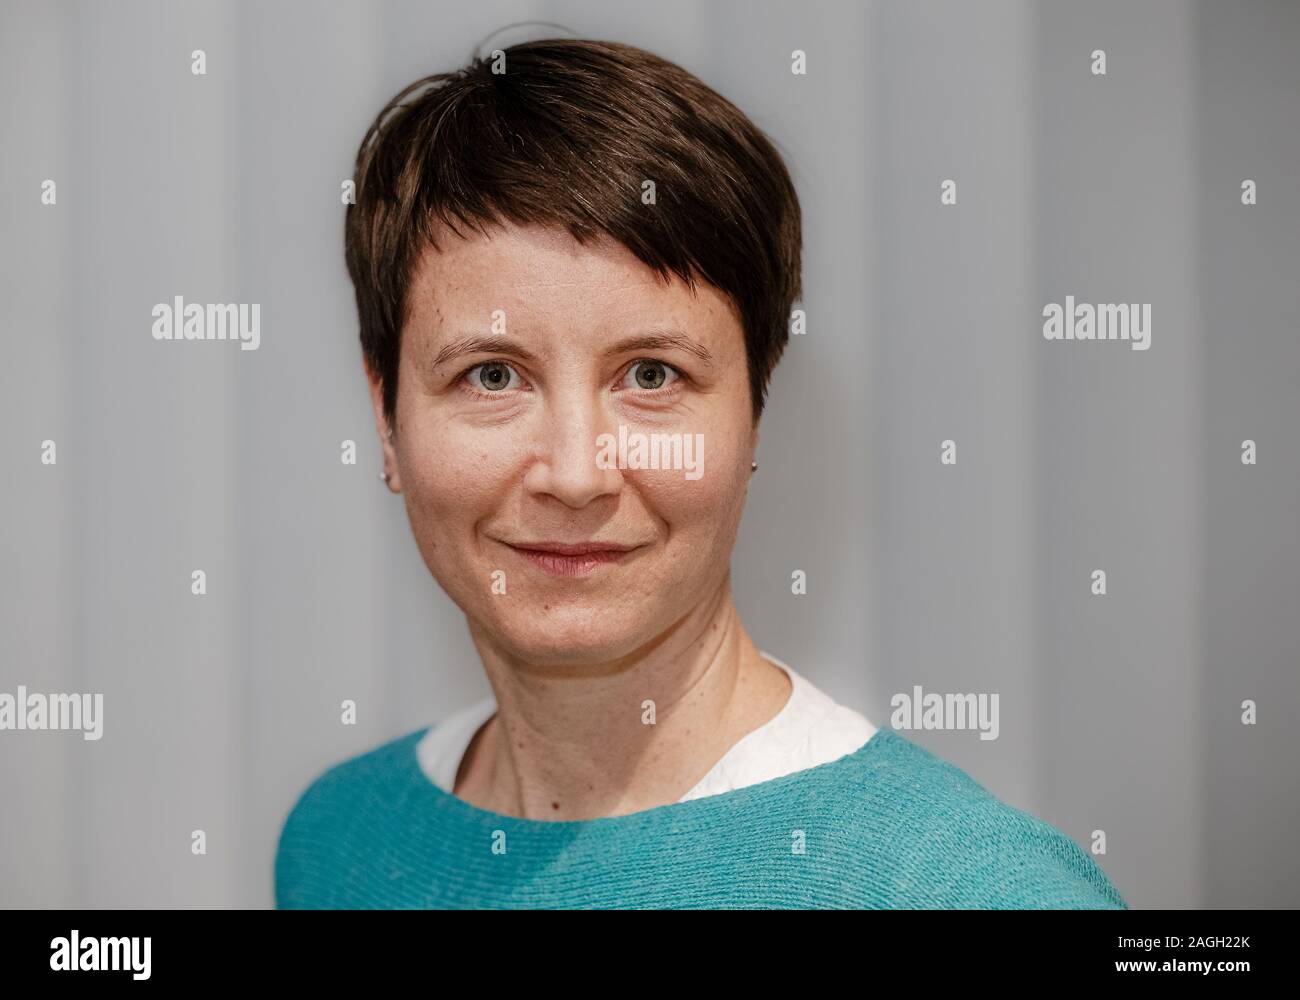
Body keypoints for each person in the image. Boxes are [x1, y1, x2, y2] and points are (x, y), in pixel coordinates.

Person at [275, 37, 1126, 909]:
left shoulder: (965, 888)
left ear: (755, 410)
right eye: (492, 375)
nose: (576, 475)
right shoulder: (341, 841)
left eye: (653, 375)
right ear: (386, 417)